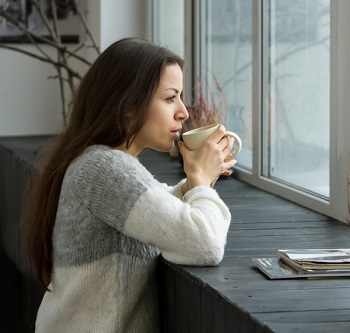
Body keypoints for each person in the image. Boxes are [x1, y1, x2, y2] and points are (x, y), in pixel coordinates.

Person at [21, 37, 237, 332]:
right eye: (170, 98)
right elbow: (205, 245)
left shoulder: (101, 162)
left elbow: (157, 207)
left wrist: (196, 184)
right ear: (129, 106)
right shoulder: (104, 169)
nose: (184, 112)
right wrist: (200, 182)